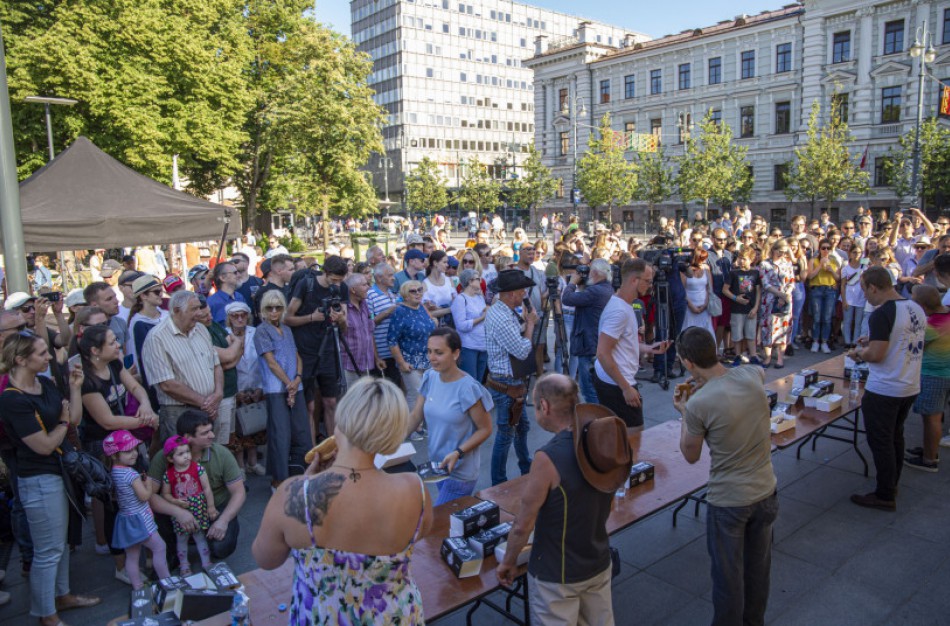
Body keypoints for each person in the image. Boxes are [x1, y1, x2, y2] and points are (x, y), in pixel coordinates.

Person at [251, 377, 433, 625]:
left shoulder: (293, 493)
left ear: (341, 420)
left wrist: (305, 482)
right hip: (395, 616)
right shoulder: (415, 490)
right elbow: (418, 533)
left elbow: (266, 559)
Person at [497, 374, 631, 625]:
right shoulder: (603, 439)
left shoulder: (548, 458)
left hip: (557, 574)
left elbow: (523, 525)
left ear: (544, 406)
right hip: (597, 560)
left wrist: (508, 562)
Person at [673, 327, 778, 626]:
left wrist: (684, 411)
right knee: (758, 571)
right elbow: (754, 373)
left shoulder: (697, 405)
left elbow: (690, 455)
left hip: (730, 501)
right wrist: (705, 381)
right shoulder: (750, 375)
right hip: (766, 490)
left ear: (687, 362)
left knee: (728, 580)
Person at [0, 331, 101, 626]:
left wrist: (74, 389)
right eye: (42, 353)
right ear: (21, 359)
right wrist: (62, 420)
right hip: (38, 478)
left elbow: (75, 419)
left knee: (62, 543)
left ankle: (62, 595)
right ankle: (47, 614)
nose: (48, 358)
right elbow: (44, 444)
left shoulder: (43, 383)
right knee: (48, 550)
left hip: (59, 473)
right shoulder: (11, 400)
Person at [78, 324, 158, 571]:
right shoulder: (87, 381)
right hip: (102, 447)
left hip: (126, 439)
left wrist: (145, 404)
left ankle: (143, 550)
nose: (118, 346)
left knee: (139, 493)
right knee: (116, 504)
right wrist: (145, 420)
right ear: (94, 350)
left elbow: (134, 386)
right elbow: (106, 420)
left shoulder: (114, 364)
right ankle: (121, 565)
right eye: (112, 342)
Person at [847, 266, 926, 511]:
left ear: (873, 287)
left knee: (881, 441)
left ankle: (884, 495)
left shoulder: (882, 313)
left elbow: (877, 355)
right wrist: (871, 340)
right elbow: (901, 339)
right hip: (909, 384)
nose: (864, 296)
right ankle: (891, 484)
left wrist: (859, 353)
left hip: (886, 388)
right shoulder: (914, 306)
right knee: (895, 437)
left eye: (864, 290)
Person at [407, 328, 492, 504]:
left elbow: (485, 429)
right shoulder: (430, 376)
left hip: (460, 472)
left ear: (455, 353)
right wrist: (391, 442)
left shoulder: (468, 388)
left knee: (439, 524)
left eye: (439, 352)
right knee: (450, 524)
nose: (431, 357)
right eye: (429, 351)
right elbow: (416, 415)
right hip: (437, 467)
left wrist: (458, 452)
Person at [148, 409, 245, 560]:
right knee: (157, 522)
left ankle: (205, 538)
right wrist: (177, 512)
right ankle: (173, 552)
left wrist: (223, 521)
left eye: (211, 431)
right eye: (205, 433)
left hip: (214, 509)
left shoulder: (221, 454)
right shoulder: (165, 456)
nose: (212, 436)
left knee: (221, 548)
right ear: (188, 437)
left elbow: (239, 492)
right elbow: (150, 495)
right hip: (179, 508)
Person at [593, 259, 671, 432]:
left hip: (616, 379)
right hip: (617, 383)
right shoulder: (619, 311)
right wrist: (626, 388)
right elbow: (603, 354)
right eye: (648, 281)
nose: (651, 286)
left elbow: (623, 343)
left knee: (626, 435)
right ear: (634, 280)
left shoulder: (624, 305)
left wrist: (649, 348)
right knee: (634, 436)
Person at [141, 290, 223, 441]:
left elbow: (216, 365)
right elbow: (167, 384)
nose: (199, 313)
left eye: (199, 308)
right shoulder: (156, 338)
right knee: (183, 459)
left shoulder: (201, 329)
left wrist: (218, 394)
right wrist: (205, 403)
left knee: (208, 457)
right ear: (177, 311)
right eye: (194, 309)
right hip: (179, 412)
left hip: (209, 409)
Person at [484, 270, 539, 485]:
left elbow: (515, 338)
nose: (525, 293)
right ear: (510, 294)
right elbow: (522, 350)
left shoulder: (504, 311)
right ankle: (498, 481)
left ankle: (525, 464)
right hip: (506, 381)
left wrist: (525, 324)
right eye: (521, 290)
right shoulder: (500, 317)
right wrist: (531, 324)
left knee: (521, 427)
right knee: (505, 434)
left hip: (509, 379)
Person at [284, 255, 349, 438]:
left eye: (340, 281)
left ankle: (334, 448)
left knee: (331, 401)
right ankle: (312, 452)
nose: (336, 284)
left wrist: (341, 319)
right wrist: (311, 318)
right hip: (306, 351)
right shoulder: (307, 285)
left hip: (328, 350)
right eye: (334, 280)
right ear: (326, 273)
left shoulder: (341, 288)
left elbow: (345, 327)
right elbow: (287, 318)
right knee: (309, 406)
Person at [254, 289, 312, 486]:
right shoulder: (261, 331)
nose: (274, 312)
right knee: (281, 435)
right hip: (276, 389)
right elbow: (270, 362)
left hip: (295, 385)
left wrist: (297, 379)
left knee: (302, 432)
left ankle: (302, 472)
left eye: (278, 308)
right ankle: (278, 479)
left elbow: (296, 355)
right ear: (263, 309)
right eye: (269, 308)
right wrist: (290, 385)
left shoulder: (286, 329)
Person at [103, 430, 171, 590]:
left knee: (132, 556)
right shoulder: (130, 474)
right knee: (160, 547)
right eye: (128, 451)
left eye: (134, 449)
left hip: (126, 519)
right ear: (114, 455)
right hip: (141, 520)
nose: (134, 454)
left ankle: (138, 587)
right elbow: (144, 496)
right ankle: (167, 582)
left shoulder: (114, 472)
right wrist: (147, 483)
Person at [903, 285, 950, 472]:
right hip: (943, 373)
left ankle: (930, 459)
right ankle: (929, 449)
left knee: (932, 418)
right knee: (933, 416)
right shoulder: (945, 315)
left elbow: (912, 346)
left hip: (935, 375)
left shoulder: (934, 324)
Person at [160, 435, 217, 575]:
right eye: (180, 454)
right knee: (181, 538)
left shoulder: (197, 468)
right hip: (181, 511)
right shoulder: (169, 474)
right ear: (170, 458)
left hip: (199, 509)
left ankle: (206, 561)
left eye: (187, 452)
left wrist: (211, 507)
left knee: (199, 536)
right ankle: (184, 564)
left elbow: (207, 488)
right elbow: (165, 494)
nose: (186, 456)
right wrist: (175, 501)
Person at [388, 280, 437, 438]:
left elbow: (432, 323)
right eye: (413, 291)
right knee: (415, 394)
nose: (417, 293)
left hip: (428, 359)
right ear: (404, 295)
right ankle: (413, 428)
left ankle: (422, 424)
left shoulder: (421, 307)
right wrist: (401, 362)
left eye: (420, 290)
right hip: (410, 361)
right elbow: (392, 340)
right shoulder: (400, 311)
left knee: (427, 394)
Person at [561, 258, 613, 403]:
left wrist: (572, 283)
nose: (587, 275)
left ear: (595, 273)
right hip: (596, 342)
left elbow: (567, 299)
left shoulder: (595, 291)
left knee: (588, 388)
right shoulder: (607, 288)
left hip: (589, 345)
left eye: (589, 272)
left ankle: (597, 419)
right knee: (595, 386)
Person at [224, 301, 266, 475]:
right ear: (229, 318)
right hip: (235, 388)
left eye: (243, 315)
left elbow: (265, 361)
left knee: (254, 426)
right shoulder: (224, 335)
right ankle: (240, 467)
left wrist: (261, 387)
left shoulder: (256, 333)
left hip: (255, 386)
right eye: (235, 315)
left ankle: (253, 462)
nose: (240, 319)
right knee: (237, 430)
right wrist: (234, 391)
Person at [758, 240, 795, 368]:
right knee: (767, 328)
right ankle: (768, 357)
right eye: (780, 251)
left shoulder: (788, 264)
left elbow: (791, 281)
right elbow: (766, 284)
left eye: (785, 252)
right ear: (773, 249)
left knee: (783, 328)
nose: (782, 254)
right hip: (769, 300)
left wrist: (786, 294)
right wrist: (780, 294)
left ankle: (780, 358)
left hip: (785, 299)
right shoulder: (764, 264)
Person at [723, 248, 761, 365]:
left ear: (751, 259)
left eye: (744, 259)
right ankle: (737, 355)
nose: (741, 261)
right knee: (737, 334)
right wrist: (736, 298)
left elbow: (758, 291)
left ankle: (753, 356)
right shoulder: (733, 273)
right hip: (737, 310)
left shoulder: (755, 273)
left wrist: (755, 308)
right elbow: (725, 290)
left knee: (750, 334)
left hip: (750, 309)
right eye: (740, 258)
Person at [341, 273, 379, 388]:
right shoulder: (343, 308)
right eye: (364, 285)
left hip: (366, 364)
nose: (368, 287)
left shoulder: (364, 305)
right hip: (349, 365)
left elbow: (369, 332)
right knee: (351, 401)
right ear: (353, 289)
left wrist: (376, 358)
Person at [450, 268, 489, 382]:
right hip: (468, 347)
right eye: (478, 279)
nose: (481, 281)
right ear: (470, 281)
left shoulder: (479, 297)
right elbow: (461, 325)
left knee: (479, 381)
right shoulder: (460, 299)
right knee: (470, 381)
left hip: (483, 345)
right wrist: (482, 317)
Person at [367, 264, 402, 386]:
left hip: (396, 352)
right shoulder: (369, 295)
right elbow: (368, 324)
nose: (394, 278)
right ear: (379, 278)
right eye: (390, 275)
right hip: (381, 355)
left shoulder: (393, 294)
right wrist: (388, 311)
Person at [126, 274, 169, 376]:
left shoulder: (167, 315)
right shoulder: (138, 323)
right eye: (156, 292)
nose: (161, 294)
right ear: (143, 296)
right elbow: (140, 356)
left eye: (161, 291)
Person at [84, 281, 130, 360]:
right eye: (109, 299)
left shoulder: (121, 323)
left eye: (115, 296)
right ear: (94, 305)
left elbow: (126, 352)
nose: (116, 301)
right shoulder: (85, 327)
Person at [252, 253, 294, 325]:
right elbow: (265, 321)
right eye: (291, 270)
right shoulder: (264, 292)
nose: (294, 272)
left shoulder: (289, 288)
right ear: (279, 271)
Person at [682, 248, 715, 337]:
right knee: (689, 332)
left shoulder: (706, 269)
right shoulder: (685, 270)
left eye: (704, 259)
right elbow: (682, 291)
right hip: (690, 307)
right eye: (701, 259)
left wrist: (705, 305)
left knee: (705, 332)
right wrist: (692, 306)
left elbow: (709, 288)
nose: (703, 262)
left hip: (704, 307)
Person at [840, 242, 867, 349]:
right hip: (849, 298)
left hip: (861, 297)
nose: (857, 255)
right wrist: (844, 300)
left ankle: (855, 341)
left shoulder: (864, 266)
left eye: (859, 253)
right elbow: (842, 285)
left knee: (858, 321)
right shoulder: (845, 268)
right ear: (850, 253)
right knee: (847, 320)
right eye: (854, 252)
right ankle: (847, 341)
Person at [422, 250, 455, 325]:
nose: (447, 265)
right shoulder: (425, 284)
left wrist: (440, 309)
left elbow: (456, 303)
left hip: (451, 324)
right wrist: (449, 309)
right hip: (435, 325)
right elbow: (427, 312)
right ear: (435, 263)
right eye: (444, 262)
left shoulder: (449, 281)